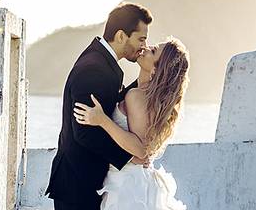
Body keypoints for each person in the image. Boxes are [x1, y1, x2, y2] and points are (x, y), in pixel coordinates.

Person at [45, 2, 152, 210]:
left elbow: (115, 102)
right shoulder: (94, 69)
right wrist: (130, 157)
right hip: (78, 185)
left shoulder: (104, 63)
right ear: (121, 36)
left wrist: (144, 75)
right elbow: (84, 132)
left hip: (85, 182)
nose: (144, 47)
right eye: (141, 39)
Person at [74, 37, 189, 210]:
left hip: (127, 186)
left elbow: (140, 151)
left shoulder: (136, 96)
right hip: (135, 180)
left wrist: (102, 120)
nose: (147, 47)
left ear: (157, 69)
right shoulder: (149, 98)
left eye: (154, 51)